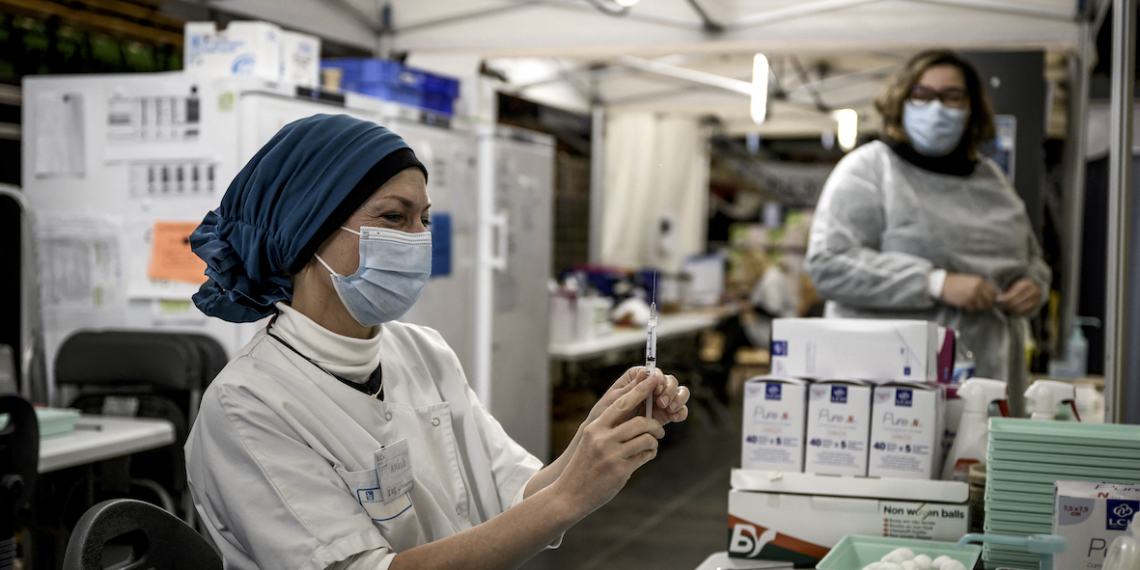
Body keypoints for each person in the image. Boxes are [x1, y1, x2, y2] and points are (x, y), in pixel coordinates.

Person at [184, 114, 690, 570]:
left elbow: (513, 493)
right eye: (393, 217)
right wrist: (570, 497)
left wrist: (594, 437)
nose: (417, 238)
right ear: (304, 229)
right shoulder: (247, 404)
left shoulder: (422, 351)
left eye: (423, 219)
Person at [805, 50, 1051, 409]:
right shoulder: (869, 169)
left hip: (992, 382)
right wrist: (934, 283)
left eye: (952, 96)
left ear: (971, 109)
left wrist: (1034, 285)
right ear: (900, 102)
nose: (936, 108)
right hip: (891, 394)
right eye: (922, 95)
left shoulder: (991, 180)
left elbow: (1031, 258)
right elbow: (829, 264)